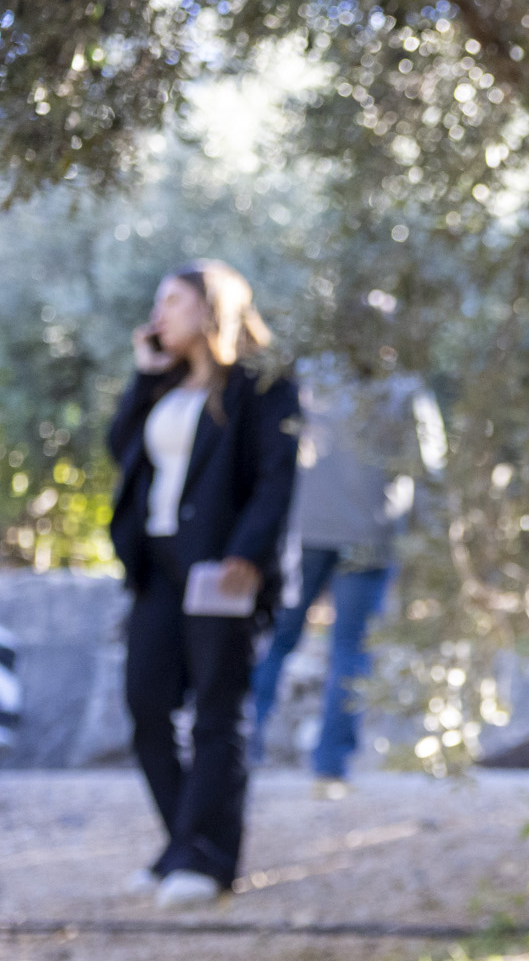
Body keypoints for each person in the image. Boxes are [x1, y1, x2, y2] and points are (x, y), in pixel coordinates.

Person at [107, 260, 300, 909]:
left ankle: (207, 859)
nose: (158, 315)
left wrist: (248, 552)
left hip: (222, 566)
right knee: (145, 706)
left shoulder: (262, 385)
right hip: (156, 567)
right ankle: (183, 844)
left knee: (218, 711)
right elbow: (121, 451)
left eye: (172, 302)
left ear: (209, 308)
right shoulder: (162, 385)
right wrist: (144, 373)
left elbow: (277, 476)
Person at [246, 344, 445, 795]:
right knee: (350, 652)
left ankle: (243, 747)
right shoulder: (405, 390)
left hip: (307, 532)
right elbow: (430, 469)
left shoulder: (309, 380)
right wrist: (431, 541)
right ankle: (330, 768)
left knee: (278, 640)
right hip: (367, 538)